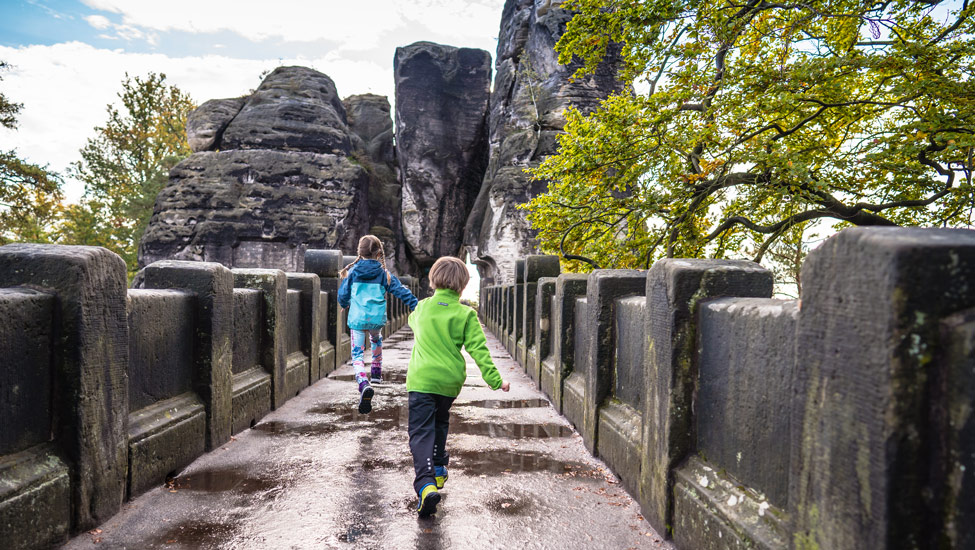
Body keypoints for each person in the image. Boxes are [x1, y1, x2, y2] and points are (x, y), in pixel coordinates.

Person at [405, 255, 510, 517]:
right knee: (440, 421)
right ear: (463, 286)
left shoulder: (422, 308)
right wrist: (496, 380)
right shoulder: (466, 314)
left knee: (420, 432)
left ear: (432, 280)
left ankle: (426, 484)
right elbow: (479, 350)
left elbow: (411, 322)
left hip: (421, 380)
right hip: (449, 382)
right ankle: (439, 467)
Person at [338, 235, 418, 414]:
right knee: (376, 340)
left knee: (357, 354)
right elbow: (401, 291)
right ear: (379, 253)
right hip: (376, 319)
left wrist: (344, 304)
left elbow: (343, 294)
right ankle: (375, 373)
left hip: (357, 319)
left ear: (359, 252)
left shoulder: (353, 272)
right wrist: (417, 306)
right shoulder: (384, 274)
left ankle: (363, 382)